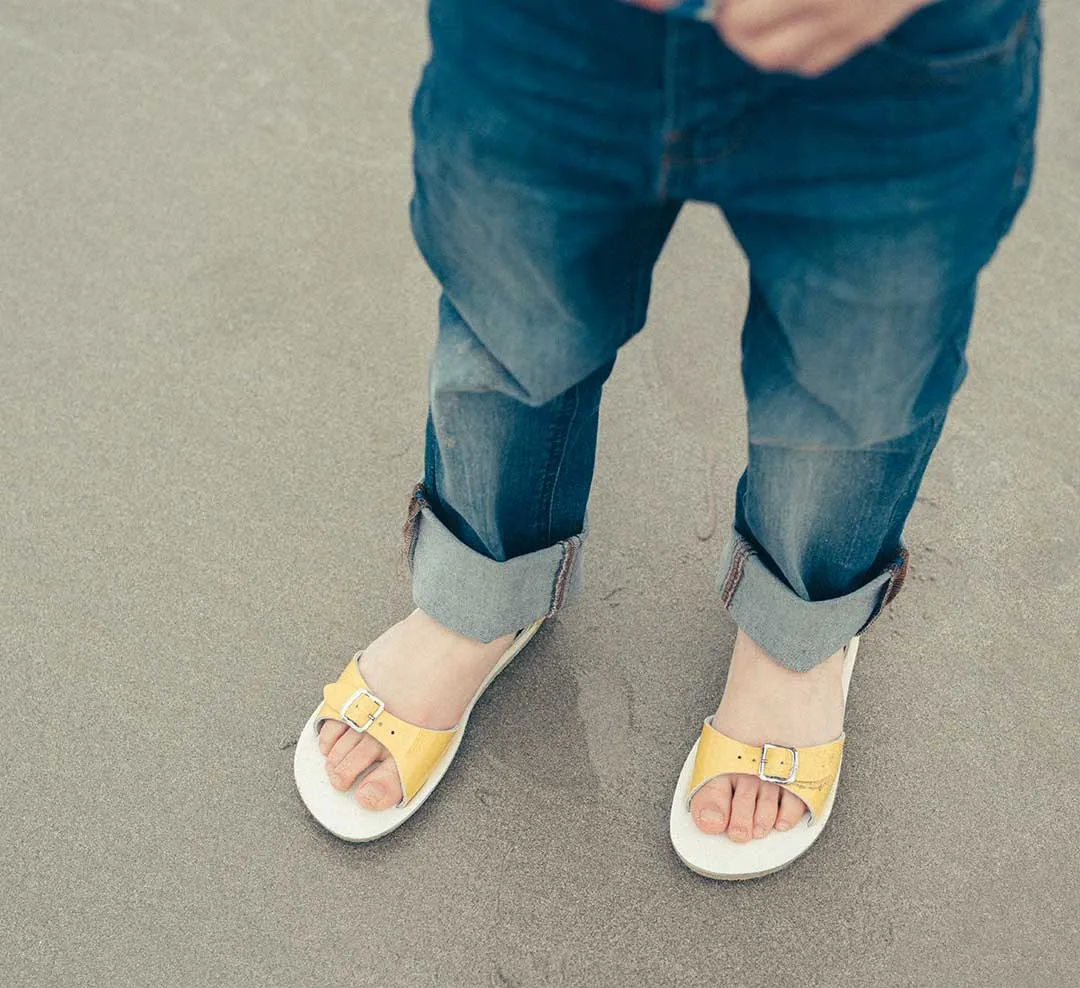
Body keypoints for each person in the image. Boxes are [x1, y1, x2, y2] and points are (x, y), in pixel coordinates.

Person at [292, 0, 1041, 877]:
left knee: (858, 378)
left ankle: (796, 636)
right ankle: (482, 588)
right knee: (511, 309)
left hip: (885, 40)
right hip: (553, 26)